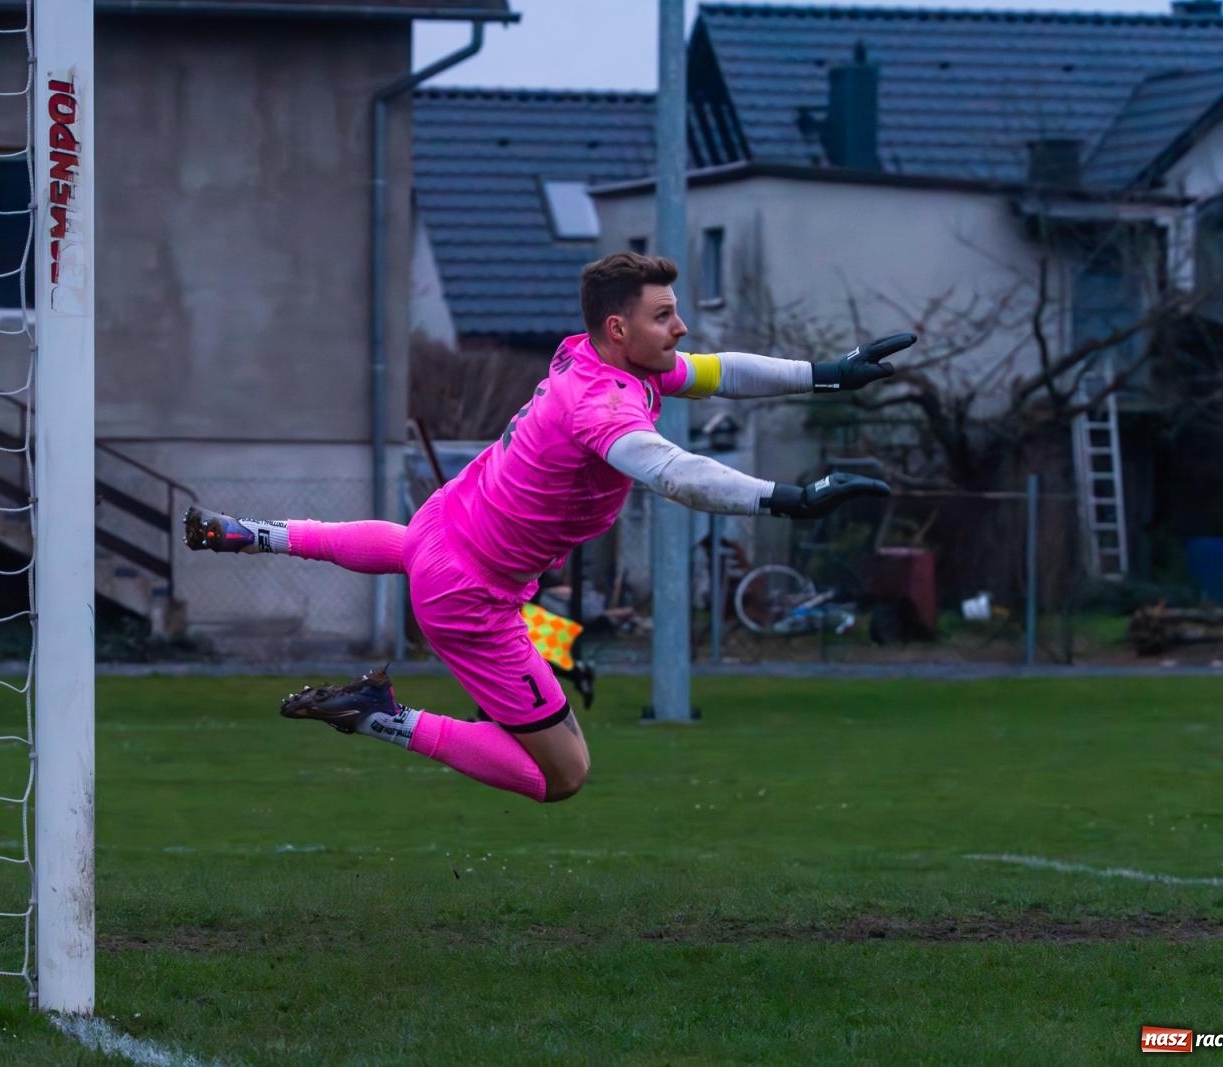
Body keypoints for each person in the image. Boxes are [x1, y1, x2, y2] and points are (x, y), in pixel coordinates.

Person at [186, 252, 911, 804]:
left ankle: (252, 532)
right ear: (620, 328)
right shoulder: (602, 407)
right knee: (561, 773)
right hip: (472, 595)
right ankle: (383, 714)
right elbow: (675, 473)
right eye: (665, 316)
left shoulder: (590, 352)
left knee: (408, 546)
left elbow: (723, 372)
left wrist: (829, 372)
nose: (680, 327)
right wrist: (793, 497)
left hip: (448, 522)